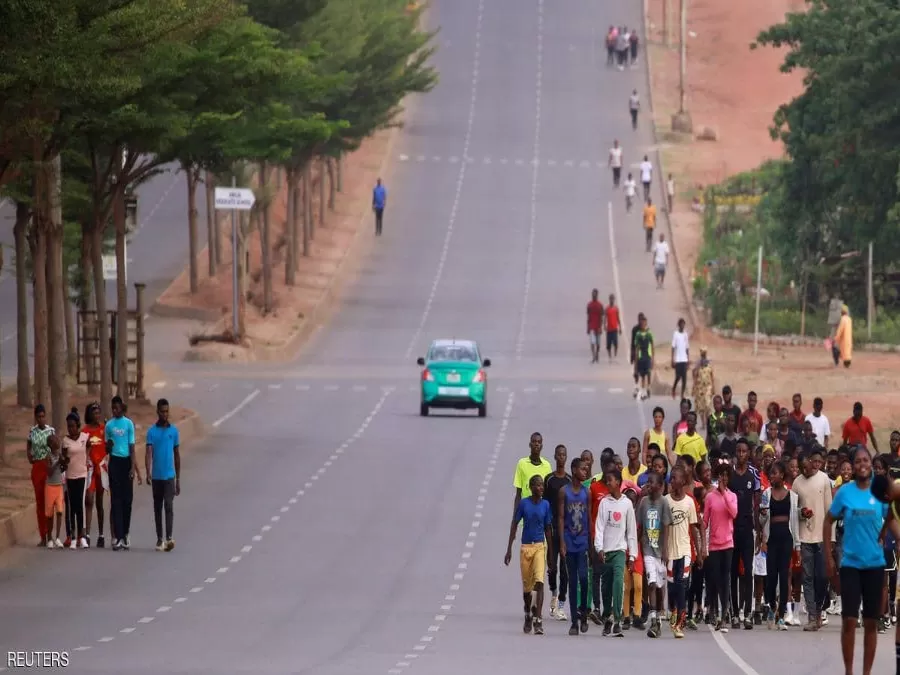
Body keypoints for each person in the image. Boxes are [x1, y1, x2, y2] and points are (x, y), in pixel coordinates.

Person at [825, 447, 888, 675]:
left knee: (871, 622)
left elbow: (891, 518)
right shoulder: (844, 492)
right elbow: (828, 520)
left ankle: (866, 673)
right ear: (852, 465)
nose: (862, 464)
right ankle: (849, 671)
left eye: (866, 460)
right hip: (850, 565)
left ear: (870, 464)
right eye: (858, 461)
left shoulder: (879, 492)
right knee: (849, 621)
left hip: (874, 564)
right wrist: (828, 557)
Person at [505, 474, 553, 635]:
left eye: (542, 485)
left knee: (539, 582)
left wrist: (551, 553)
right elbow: (514, 524)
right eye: (538, 485)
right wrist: (509, 548)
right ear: (531, 488)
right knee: (527, 588)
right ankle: (528, 612)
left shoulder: (546, 505)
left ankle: (538, 620)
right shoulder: (524, 504)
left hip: (540, 547)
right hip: (525, 548)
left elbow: (548, 528)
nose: (541, 488)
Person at [792, 446, 833, 631]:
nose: (804, 470)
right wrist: (802, 513)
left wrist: (830, 538)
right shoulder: (796, 483)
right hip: (805, 537)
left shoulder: (823, 479)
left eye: (805, 466)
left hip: (821, 537)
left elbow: (830, 511)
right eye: (800, 468)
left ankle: (819, 609)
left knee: (822, 577)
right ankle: (812, 616)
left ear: (811, 461)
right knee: (807, 578)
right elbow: (794, 511)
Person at [594, 469, 638, 637]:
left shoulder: (627, 504)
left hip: (620, 550)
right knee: (606, 587)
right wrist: (599, 548)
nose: (608, 483)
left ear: (618, 482)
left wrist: (632, 555)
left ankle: (617, 620)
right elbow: (600, 527)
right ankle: (608, 617)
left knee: (618, 583)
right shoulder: (605, 503)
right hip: (606, 552)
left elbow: (631, 532)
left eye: (610, 480)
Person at [759, 461, 800, 631]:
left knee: (784, 576)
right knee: (770, 577)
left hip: (786, 538)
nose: (772, 476)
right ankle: (771, 605)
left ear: (782, 475)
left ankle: (781, 615)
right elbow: (762, 521)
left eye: (775, 473)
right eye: (770, 474)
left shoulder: (792, 496)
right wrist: (762, 515)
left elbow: (795, 522)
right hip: (772, 538)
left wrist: (797, 545)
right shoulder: (766, 494)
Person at [667, 465, 703, 637]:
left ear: (683, 481)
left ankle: (680, 621)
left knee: (682, 583)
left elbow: (694, 528)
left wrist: (699, 550)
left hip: (685, 549)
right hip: (670, 550)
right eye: (671, 478)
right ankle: (673, 610)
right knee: (672, 585)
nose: (672, 481)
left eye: (675, 478)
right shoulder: (666, 501)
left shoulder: (689, 502)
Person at [730, 438, 761, 630]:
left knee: (748, 571)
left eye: (744, 452)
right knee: (733, 572)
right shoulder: (729, 475)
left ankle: (748, 613)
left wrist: (759, 532)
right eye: (738, 451)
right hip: (732, 530)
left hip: (748, 529)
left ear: (749, 453)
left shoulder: (754, 475)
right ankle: (734, 613)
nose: (741, 455)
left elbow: (756, 504)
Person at [559, 457, 591, 635]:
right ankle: (574, 622)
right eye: (582, 469)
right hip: (570, 542)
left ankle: (584, 612)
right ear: (573, 470)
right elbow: (561, 517)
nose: (585, 472)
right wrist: (562, 542)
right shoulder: (564, 492)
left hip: (583, 541)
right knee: (572, 581)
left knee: (584, 578)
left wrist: (592, 544)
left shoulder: (587, 493)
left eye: (586, 469)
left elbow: (589, 519)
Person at [638, 472, 672, 638]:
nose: (648, 485)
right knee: (651, 583)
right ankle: (653, 621)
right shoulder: (643, 502)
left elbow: (666, 526)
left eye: (651, 482)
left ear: (660, 486)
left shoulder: (664, 502)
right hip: (648, 551)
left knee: (659, 587)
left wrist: (665, 549)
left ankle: (658, 616)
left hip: (660, 552)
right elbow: (639, 527)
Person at [106, 395, 142, 551]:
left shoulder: (128, 424)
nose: (115, 410)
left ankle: (126, 533)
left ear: (122, 407)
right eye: (113, 408)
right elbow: (106, 449)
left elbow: (132, 446)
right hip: (114, 462)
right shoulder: (109, 425)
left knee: (127, 501)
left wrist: (133, 468)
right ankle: (118, 536)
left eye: (117, 407)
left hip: (126, 462)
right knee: (116, 500)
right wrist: (108, 446)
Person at [705, 459, 738, 632]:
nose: (724, 479)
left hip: (727, 544)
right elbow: (705, 522)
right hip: (713, 545)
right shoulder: (710, 497)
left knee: (726, 580)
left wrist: (724, 493)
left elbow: (734, 513)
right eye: (721, 475)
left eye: (726, 476)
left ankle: (724, 616)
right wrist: (702, 545)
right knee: (714, 580)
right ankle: (713, 609)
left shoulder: (732, 496)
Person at [146, 398, 181, 552]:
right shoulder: (151, 432)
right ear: (158, 412)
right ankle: (159, 538)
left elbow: (177, 455)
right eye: (162, 411)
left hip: (169, 476)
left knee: (169, 505)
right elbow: (148, 453)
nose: (165, 414)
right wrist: (148, 471)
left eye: (167, 411)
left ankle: (169, 537)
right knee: (157, 507)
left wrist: (178, 479)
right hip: (156, 477)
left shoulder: (173, 431)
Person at [61, 408, 89, 549]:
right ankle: (72, 537)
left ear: (78, 425)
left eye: (72, 426)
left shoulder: (85, 438)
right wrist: (64, 462)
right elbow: (63, 459)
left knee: (80, 505)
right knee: (71, 507)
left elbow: (89, 451)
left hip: (82, 475)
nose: (70, 429)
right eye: (68, 426)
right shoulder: (65, 441)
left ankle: (82, 536)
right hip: (70, 476)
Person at [27, 404, 55, 547]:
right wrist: (29, 456)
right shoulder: (32, 431)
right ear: (36, 417)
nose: (41, 419)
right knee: (40, 501)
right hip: (37, 467)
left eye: (43, 416)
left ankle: (50, 534)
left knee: (49, 501)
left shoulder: (51, 431)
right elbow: (29, 445)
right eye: (39, 416)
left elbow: (56, 447)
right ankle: (43, 535)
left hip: (48, 466)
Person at [82, 402, 107, 548]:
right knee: (89, 500)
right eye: (94, 413)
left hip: (101, 468)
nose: (96, 415)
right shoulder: (85, 431)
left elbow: (108, 446)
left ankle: (102, 534)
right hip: (90, 468)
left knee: (99, 502)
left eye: (98, 412)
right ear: (89, 414)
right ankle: (87, 534)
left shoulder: (104, 429)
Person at [512, 433, 551, 519]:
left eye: (539, 442)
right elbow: (518, 493)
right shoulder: (522, 464)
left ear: (542, 446)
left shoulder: (547, 466)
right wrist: (515, 517)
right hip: (525, 515)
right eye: (534, 441)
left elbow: (548, 494)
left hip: (541, 515)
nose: (536, 444)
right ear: (530, 445)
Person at [44, 433, 66, 549]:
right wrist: (58, 462)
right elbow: (49, 472)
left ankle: (57, 537)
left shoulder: (60, 454)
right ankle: (49, 538)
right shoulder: (48, 456)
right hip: (50, 486)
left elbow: (63, 468)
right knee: (49, 514)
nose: (57, 443)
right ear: (50, 445)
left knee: (59, 511)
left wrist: (63, 462)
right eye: (54, 442)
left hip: (59, 486)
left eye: (57, 441)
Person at [632, 314, 654, 401]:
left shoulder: (649, 334)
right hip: (641, 357)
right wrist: (636, 359)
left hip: (648, 356)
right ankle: (643, 391)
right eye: (641, 323)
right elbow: (636, 348)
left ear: (646, 323)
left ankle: (648, 387)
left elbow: (652, 345)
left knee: (648, 372)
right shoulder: (638, 334)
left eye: (644, 323)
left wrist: (653, 358)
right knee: (643, 375)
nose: (643, 324)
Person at [692, 347, 715, 429]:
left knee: (708, 404)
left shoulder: (709, 364)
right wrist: (693, 387)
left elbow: (712, 376)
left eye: (705, 352)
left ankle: (708, 421)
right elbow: (694, 375)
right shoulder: (698, 363)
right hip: (699, 388)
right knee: (701, 406)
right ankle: (703, 423)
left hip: (708, 387)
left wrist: (713, 388)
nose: (703, 354)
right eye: (702, 352)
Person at [671, 318, 689, 400]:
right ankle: (673, 389)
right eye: (681, 324)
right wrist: (672, 359)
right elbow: (673, 347)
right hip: (678, 359)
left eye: (683, 324)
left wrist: (688, 359)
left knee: (684, 378)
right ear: (679, 325)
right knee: (678, 377)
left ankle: (682, 394)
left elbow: (687, 347)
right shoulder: (676, 334)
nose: (682, 326)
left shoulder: (685, 334)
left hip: (684, 359)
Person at [586, 289, 604, 364]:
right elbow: (588, 316)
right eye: (593, 294)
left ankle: (597, 353)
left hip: (598, 326)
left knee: (598, 343)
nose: (594, 296)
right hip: (592, 327)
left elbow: (602, 317)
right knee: (593, 342)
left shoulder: (600, 305)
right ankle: (594, 356)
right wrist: (588, 327)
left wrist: (601, 327)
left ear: (597, 295)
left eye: (595, 294)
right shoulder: (589, 305)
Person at [833, 304, 853, 368]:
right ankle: (847, 364)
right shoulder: (849, 319)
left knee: (835, 348)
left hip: (843, 340)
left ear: (842, 312)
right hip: (849, 340)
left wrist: (835, 338)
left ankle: (836, 363)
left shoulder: (843, 319)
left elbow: (840, 330)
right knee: (847, 354)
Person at [605, 294, 622, 361]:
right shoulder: (607, 309)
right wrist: (604, 325)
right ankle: (610, 356)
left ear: (614, 300)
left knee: (616, 344)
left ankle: (615, 355)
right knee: (608, 345)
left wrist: (620, 328)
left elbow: (618, 318)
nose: (611, 300)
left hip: (614, 329)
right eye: (610, 299)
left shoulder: (616, 309)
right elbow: (605, 318)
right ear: (609, 299)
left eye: (612, 299)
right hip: (609, 329)